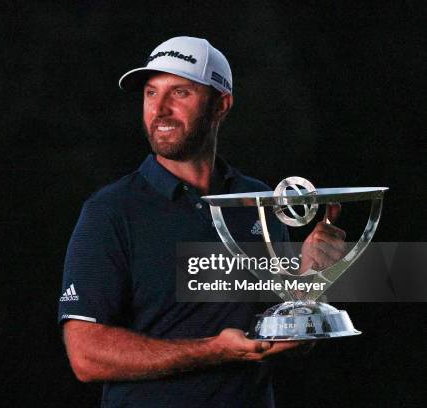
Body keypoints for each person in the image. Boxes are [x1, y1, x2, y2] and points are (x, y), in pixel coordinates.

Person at [58, 36, 346, 407]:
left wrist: (313, 278)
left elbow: (291, 341)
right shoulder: (111, 211)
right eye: (150, 93)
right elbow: (86, 355)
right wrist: (215, 350)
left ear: (220, 105)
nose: (159, 109)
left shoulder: (258, 202)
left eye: (180, 92)